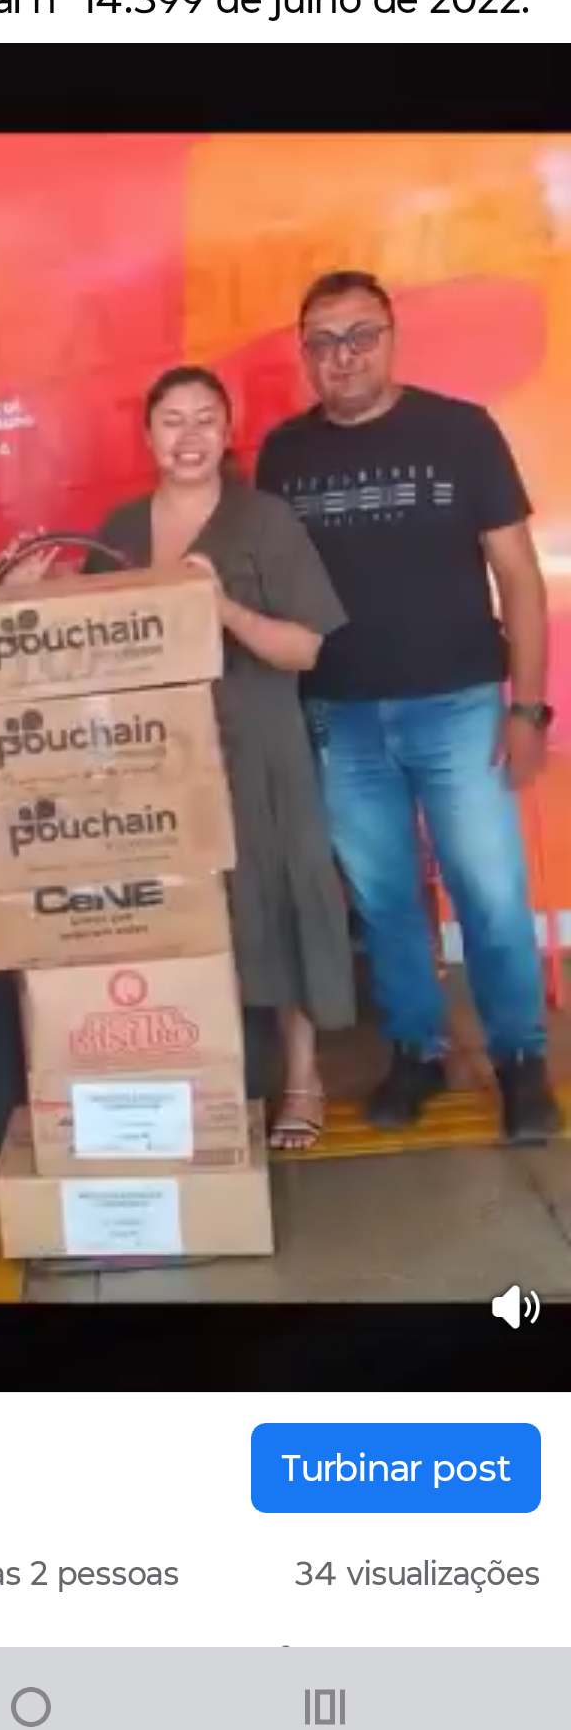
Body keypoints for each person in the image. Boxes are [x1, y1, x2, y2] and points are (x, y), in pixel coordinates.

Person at [256, 269, 560, 1143]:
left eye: (361, 335)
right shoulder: (284, 454)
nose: (343, 355)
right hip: (340, 715)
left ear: (391, 339)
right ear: (304, 353)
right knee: (386, 901)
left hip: (458, 706)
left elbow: (519, 578)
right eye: (323, 341)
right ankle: (416, 1052)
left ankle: (520, 1060)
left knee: (489, 894)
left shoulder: (460, 431)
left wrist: (528, 710)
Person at [86, 366, 356, 1149]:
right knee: (186, 916)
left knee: (285, 899)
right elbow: (86, 651)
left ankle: (302, 1077)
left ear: (228, 431)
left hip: (261, 745)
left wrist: (225, 608)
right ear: (147, 435)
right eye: (172, 420)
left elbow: (304, 648)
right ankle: (203, 1078)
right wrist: (37, 589)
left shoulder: (264, 520)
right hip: (160, 759)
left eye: (206, 418)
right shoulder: (119, 529)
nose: (190, 436)